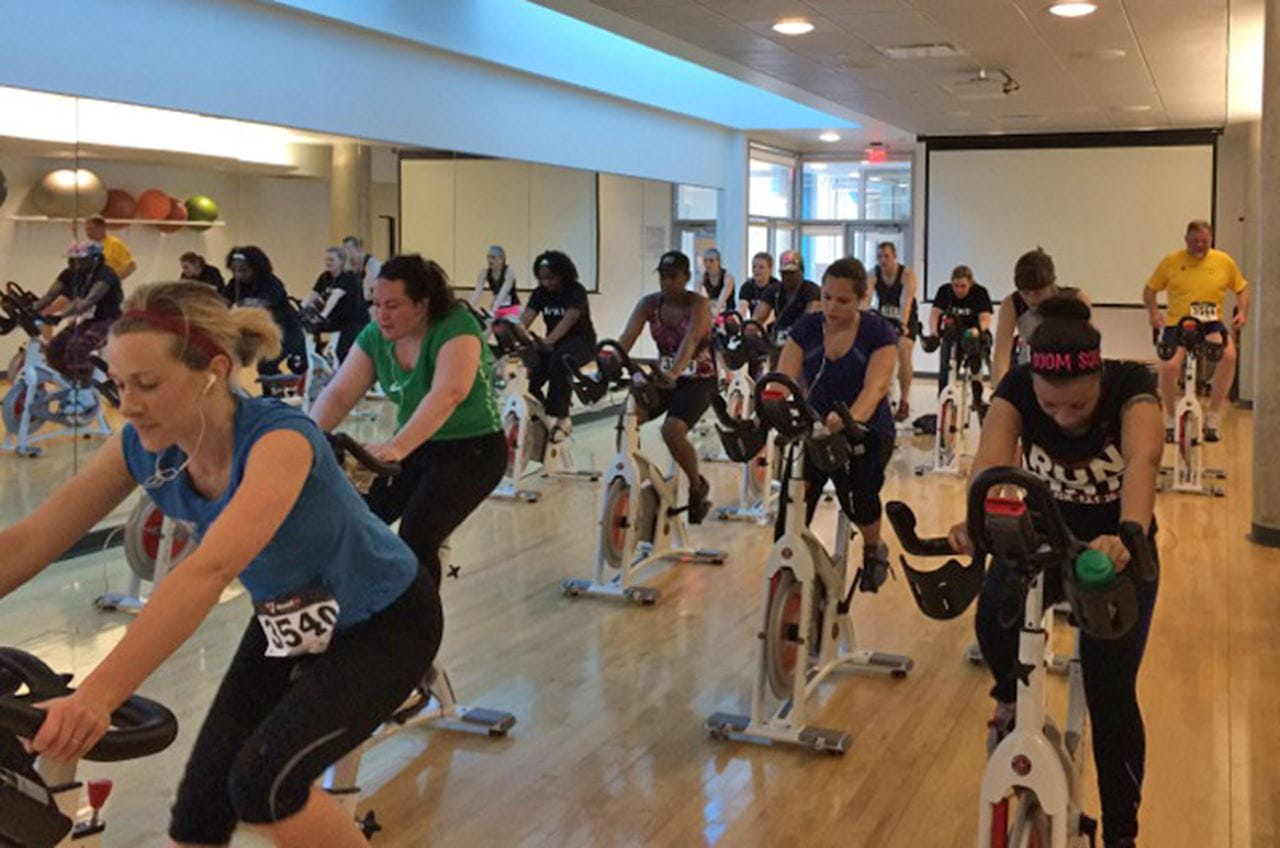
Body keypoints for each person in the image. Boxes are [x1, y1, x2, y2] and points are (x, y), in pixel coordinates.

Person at [0, 281, 441, 847]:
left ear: (212, 369)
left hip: (384, 622)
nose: (127, 404)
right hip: (288, 618)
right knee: (199, 812)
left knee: (266, 787)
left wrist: (97, 696)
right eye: (119, 385)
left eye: (147, 384)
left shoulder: (279, 440)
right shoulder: (139, 444)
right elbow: (32, 539)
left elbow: (209, 571)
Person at [948, 296, 1162, 848]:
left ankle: (1121, 835)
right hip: (1041, 540)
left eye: (1078, 406)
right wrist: (977, 515)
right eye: (1051, 406)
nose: (1064, 417)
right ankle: (1010, 708)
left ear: (1098, 375)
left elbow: (1143, 460)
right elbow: (993, 460)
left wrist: (1129, 531)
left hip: (1114, 552)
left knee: (1111, 693)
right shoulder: (1019, 387)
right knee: (994, 619)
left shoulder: (1131, 385)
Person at [311, 254, 506, 588]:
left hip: (473, 451)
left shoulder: (456, 326)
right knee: (357, 519)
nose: (382, 316)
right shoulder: (375, 336)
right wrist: (304, 442)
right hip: (416, 446)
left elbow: (449, 393)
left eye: (393, 306)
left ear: (421, 304)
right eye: (376, 304)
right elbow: (339, 394)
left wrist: (396, 447)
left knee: (418, 534)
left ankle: (419, 623)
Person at [775, 257, 898, 590]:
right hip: (815, 428)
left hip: (867, 429)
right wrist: (774, 405)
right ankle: (793, 573)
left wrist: (848, 419)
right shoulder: (807, 328)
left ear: (861, 300)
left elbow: (877, 388)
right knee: (792, 501)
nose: (831, 306)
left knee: (858, 495)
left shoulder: (878, 332)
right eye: (827, 297)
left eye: (842, 300)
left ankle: (874, 548)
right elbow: (783, 377)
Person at [616, 250, 716, 523]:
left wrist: (674, 371)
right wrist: (610, 360)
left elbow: (691, 341)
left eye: (673, 277)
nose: (667, 283)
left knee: (672, 430)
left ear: (685, 277)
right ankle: (628, 473)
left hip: (699, 381)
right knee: (628, 416)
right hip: (664, 379)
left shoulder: (699, 304)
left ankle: (697, 485)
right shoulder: (649, 304)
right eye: (662, 277)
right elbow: (627, 336)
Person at [1143, 219, 1249, 443]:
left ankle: (1212, 416)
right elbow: (1150, 290)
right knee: (1169, 366)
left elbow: (1242, 288)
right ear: (1186, 240)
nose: (1200, 245)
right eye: (1195, 241)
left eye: (1205, 241)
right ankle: (1171, 418)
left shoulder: (1223, 261)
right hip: (1178, 323)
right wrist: (1153, 313)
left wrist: (1242, 312)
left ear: (1211, 240)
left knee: (1229, 356)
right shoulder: (1172, 261)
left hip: (1210, 322)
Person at [519, 250, 597, 439]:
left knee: (560, 363)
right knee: (532, 371)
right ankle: (541, 415)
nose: (546, 283)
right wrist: (516, 335)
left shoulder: (575, 290)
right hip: (553, 344)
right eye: (542, 279)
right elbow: (526, 317)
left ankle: (561, 417)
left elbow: (569, 319)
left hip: (581, 342)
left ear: (563, 275)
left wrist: (549, 341)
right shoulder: (540, 293)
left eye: (551, 278)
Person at [991, 247, 1088, 387]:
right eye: (1025, 293)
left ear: (1052, 285)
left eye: (1038, 293)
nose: (1031, 300)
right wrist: (998, 393)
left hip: (1068, 375)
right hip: (1030, 371)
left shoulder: (1076, 300)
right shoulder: (1012, 304)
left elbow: (1088, 351)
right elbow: (1001, 355)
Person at [32, 242, 123, 383]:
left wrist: (60, 316)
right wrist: (29, 310)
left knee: (77, 346)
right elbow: (49, 296)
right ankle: (69, 382)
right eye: (71, 260)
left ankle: (84, 384)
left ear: (95, 260)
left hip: (108, 320)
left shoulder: (105, 274)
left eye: (80, 260)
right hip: (88, 321)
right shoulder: (69, 274)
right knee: (53, 350)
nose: (74, 264)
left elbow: (89, 301)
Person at [225, 246, 305, 376]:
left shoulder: (271, 284)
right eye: (234, 271)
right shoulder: (235, 284)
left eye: (243, 270)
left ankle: (277, 393)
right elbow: (223, 303)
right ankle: (271, 393)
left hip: (286, 331)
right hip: (268, 333)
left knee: (268, 365)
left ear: (256, 268)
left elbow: (257, 309)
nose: (238, 275)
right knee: (263, 367)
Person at [870, 241, 920, 421]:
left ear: (894, 257)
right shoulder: (874, 273)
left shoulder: (906, 274)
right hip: (883, 316)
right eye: (880, 257)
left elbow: (906, 301)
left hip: (905, 317)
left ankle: (904, 400)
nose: (883, 261)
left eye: (887, 257)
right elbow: (866, 298)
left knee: (903, 348)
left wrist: (903, 324)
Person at [929, 264, 993, 393]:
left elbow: (985, 318)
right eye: (955, 286)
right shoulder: (944, 291)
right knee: (945, 369)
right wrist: (934, 332)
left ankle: (977, 395)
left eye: (963, 286)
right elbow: (935, 314)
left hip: (973, 332)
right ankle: (943, 399)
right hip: (952, 333)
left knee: (976, 358)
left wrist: (976, 330)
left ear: (971, 283)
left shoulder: (980, 292)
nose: (958, 290)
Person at [306, 246, 366, 363]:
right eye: (327, 260)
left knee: (342, 352)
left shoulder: (348, 277)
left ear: (341, 261)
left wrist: (323, 315)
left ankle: (348, 375)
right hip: (337, 319)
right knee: (311, 330)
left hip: (354, 320)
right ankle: (319, 361)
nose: (328, 263)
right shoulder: (325, 277)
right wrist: (302, 308)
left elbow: (335, 296)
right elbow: (313, 295)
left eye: (332, 260)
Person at [752, 249, 821, 348]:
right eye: (784, 273)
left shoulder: (811, 290)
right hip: (779, 337)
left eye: (792, 273)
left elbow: (810, 319)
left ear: (801, 272)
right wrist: (750, 328)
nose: (788, 277)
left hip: (805, 340)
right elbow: (758, 317)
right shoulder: (774, 290)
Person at [469, 245, 520, 316]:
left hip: (512, 307)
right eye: (488, 257)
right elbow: (477, 293)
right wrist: (468, 306)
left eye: (493, 258)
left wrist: (493, 309)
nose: (490, 261)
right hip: (497, 307)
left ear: (501, 259)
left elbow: (503, 292)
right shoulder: (484, 273)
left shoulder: (509, 272)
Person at [85, 214, 136, 281]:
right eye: (86, 230)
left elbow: (131, 266)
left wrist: (114, 280)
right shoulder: (87, 246)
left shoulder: (115, 244)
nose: (88, 233)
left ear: (102, 227)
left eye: (90, 229)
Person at [343, 235, 381, 309]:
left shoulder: (372, 264)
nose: (345, 252)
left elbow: (368, 291)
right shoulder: (347, 266)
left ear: (358, 249)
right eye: (344, 249)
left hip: (370, 303)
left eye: (348, 249)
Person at [738, 251, 779, 320]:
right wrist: (736, 318)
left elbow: (773, 313)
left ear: (770, 269)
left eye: (761, 267)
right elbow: (742, 307)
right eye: (754, 267)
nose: (756, 270)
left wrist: (759, 325)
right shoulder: (747, 286)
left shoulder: (776, 286)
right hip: (754, 323)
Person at [700, 248, 736, 315]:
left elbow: (722, 301)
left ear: (718, 261)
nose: (708, 264)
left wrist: (713, 316)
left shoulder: (728, 277)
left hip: (728, 314)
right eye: (705, 261)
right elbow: (699, 300)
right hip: (712, 311)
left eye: (711, 261)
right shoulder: (702, 278)